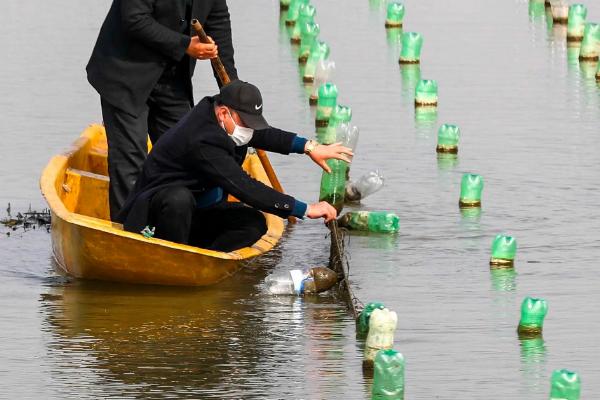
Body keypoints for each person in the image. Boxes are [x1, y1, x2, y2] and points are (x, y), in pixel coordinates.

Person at [116, 80, 352, 252]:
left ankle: (206, 260)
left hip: (196, 212)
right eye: (246, 123)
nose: (249, 130)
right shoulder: (202, 140)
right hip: (157, 217)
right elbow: (244, 187)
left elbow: (264, 135)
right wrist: (304, 208)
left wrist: (309, 147)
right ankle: (175, 256)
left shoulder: (218, 114)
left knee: (253, 223)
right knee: (178, 199)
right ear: (223, 113)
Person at [86, 0, 237, 220]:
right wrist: (186, 45)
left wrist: (232, 92)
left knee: (190, 154)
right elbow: (135, 19)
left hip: (172, 80)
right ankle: (128, 233)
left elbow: (220, 29)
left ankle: (182, 229)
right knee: (131, 160)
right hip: (124, 74)